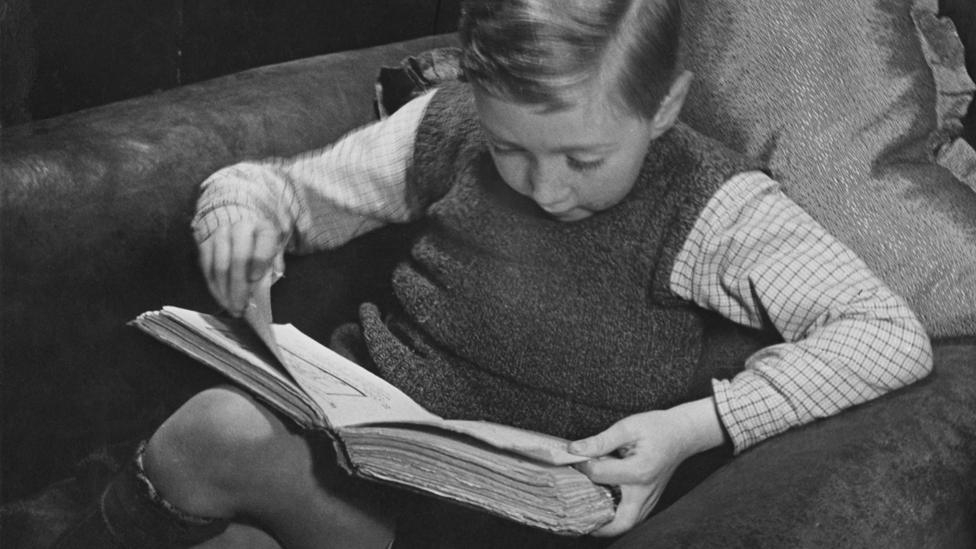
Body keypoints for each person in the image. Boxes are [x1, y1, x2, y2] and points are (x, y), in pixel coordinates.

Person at [55, 0, 933, 547]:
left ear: (663, 105)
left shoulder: (713, 205)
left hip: (491, 516)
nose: (545, 187)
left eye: (583, 158)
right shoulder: (451, 126)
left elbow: (885, 333)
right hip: (359, 446)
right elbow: (274, 188)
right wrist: (241, 219)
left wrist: (692, 427)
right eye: (513, 148)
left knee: (212, 433)